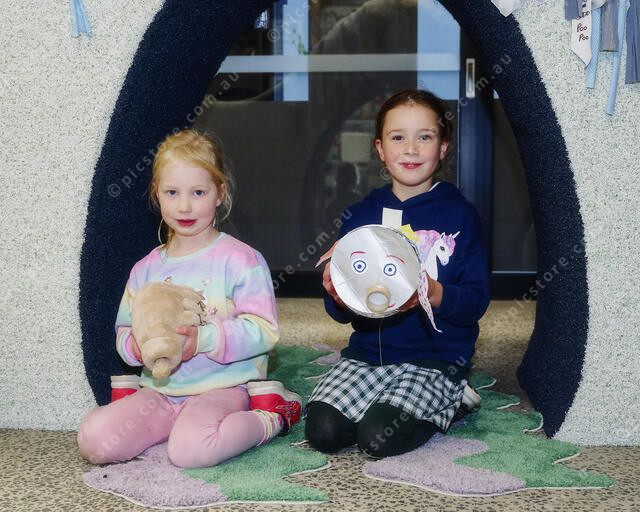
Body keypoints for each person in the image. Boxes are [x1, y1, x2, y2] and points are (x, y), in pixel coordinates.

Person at [77, 130, 301, 469]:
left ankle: (274, 415)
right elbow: (124, 333)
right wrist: (137, 346)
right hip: (160, 390)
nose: (184, 206)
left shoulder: (241, 260)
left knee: (189, 452)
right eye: (172, 192)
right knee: (94, 441)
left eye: (198, 192)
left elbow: (264, 330)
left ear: (219, 194)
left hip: (224, 387)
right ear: (157, 194)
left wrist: (204, 339)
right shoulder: (144, 269)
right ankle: (174, 424)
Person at [305, 89, 489, 458]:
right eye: (398, 137)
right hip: (367, 355)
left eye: (425, 137)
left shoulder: (460, 215)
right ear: (380, 148)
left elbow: (475, 302)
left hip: (434, 359)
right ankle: (395, 402)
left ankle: (453, 398)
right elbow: (341, 313)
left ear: (444, 148)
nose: (411, 149)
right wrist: (337, 293)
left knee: (377, 438)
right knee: (323, 431)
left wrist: (434, 292)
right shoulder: (361, 216)